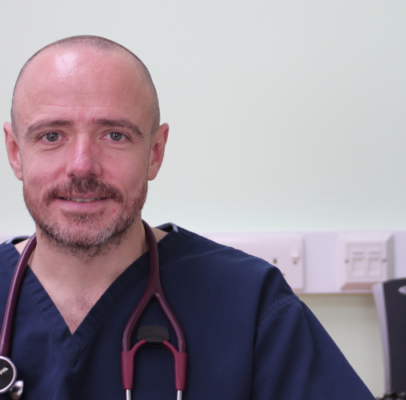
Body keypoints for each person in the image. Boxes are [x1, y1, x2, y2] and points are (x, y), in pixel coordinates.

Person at [0, 36, 375, 399]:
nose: (82, 167)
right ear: (15, 152)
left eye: (114, 135)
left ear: (155, 152)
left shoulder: (248, 302)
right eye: (51, 136)